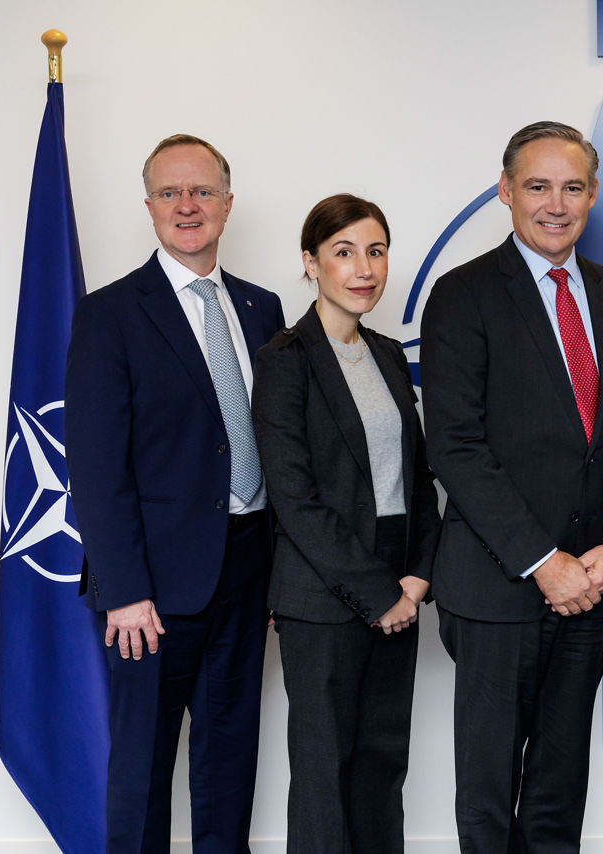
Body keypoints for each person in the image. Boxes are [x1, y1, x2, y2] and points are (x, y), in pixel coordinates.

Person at [420, 120, 603, 853]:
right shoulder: (461, 297)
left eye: (573, 187)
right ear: (505, 191)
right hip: (498, 586)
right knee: (489, 797)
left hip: (593, 583)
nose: (556, 203)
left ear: (590, 196)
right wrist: (543, 562)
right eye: (537, 185)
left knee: (558, 793)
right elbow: (455, 448)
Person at [64, 133, 285, 852]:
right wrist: (125, 589)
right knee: (143, 766)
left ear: (228, 202)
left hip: (249, 572)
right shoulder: (111, 313)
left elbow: (277, 447)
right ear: (150, 205)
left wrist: (285, 577)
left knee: (229, 763)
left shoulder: (262, 308)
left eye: (202, 192)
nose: (187, 206)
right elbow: (96, 466)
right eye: (169, 193)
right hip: (151, 591)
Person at [251, 194, 441, 853]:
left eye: (376, 251)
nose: (363, 268)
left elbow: (418, 479)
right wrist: (378, 591)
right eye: (343, 252)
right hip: (324, 589)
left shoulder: (388, 354)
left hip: (399, 576)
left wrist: (416, 574)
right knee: (325, 768)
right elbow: (296, 498)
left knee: (381, 764)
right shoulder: (285, 359)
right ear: (311, 263)